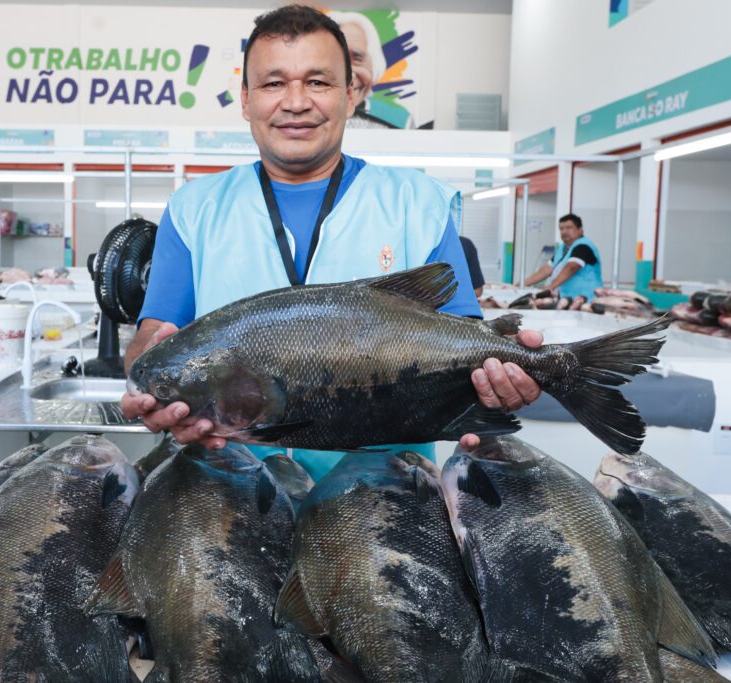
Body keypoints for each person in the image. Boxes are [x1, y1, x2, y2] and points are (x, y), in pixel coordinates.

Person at [121, 5, 543, 480]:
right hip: (230, 489)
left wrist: (503, 379)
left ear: (351, 95)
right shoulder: (194, 208)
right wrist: (147, 383)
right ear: (245, 99)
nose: (296, 102)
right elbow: (154, 335)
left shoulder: (418, 204)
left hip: (388, 497)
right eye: (273, 83)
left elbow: (461, 346)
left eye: (317, 82)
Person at [326, 10, 415, 130]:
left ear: (375, 65)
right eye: (337, 58)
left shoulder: (400, 121)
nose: (348, 74)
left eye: (357, 58)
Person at [525, 213, 602, 300]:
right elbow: (547, 269)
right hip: (567, 299)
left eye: (569, 228)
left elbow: (571, 267)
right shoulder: (562, 248)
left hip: (585, 299)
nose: (564, 232)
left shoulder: (583, 246)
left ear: (580, 230)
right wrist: (523, 284)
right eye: (561, 228)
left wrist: (551, 286)